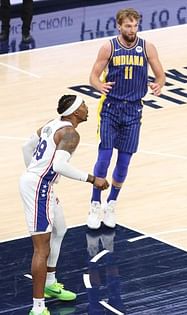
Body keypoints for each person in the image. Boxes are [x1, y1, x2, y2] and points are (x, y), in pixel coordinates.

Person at [19, 95, 109, 315]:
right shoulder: (70, 133)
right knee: (41, 247)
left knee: (60, 229)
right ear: (75, 111)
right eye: (84, 105)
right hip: (38, 188)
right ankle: (38, 307)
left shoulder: (52, 124)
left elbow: (26, 147)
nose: (88, 108)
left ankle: (50, 283)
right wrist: (92, 179)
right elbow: (59, 165)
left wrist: (36, 172)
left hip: (41, 185)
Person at [87, 8, 166, 230]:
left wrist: (159, 84)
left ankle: (111, 203)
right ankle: (95, 203)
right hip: (111, 108)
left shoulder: (147, 47)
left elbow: (161, 74)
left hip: (134, 110)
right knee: (104, 157)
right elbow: (93, 75)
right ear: (119, 26)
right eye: (128, 26)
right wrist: (98, 85)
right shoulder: (108, 47)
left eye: (135, 25)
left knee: (124, 162)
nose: (132, 29)